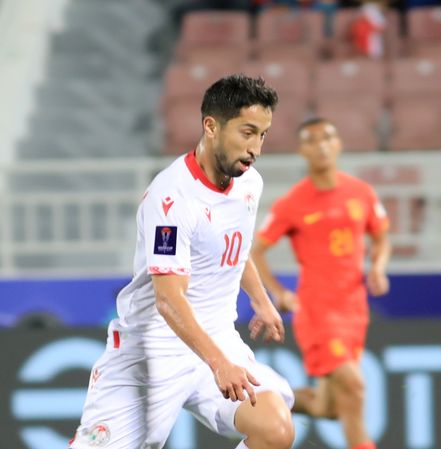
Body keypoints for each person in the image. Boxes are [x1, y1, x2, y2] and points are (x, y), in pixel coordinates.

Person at [70, 75, 295, 449]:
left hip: (218, 338)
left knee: (275, 428)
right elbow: (169, 299)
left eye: (263, 135)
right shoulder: (172, 199)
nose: (255, 147)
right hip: (153, 348)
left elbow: (234, 248)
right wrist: (218, 363)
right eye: (247, 132)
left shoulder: (249, 182)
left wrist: (260, 299)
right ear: (211, 126)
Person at [251, 118, 391, 449]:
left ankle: (255, 401)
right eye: (312, 140)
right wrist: (279, 292)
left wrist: (378, 267)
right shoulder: (293, 202)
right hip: (317, 311)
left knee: (327, 407)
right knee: (355, 386)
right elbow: (256, 251)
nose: (322, 145)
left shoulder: (362, 192)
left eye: (328, 137)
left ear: (339, 144)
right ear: (302, 151)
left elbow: (382, 236)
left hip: (354, 309)